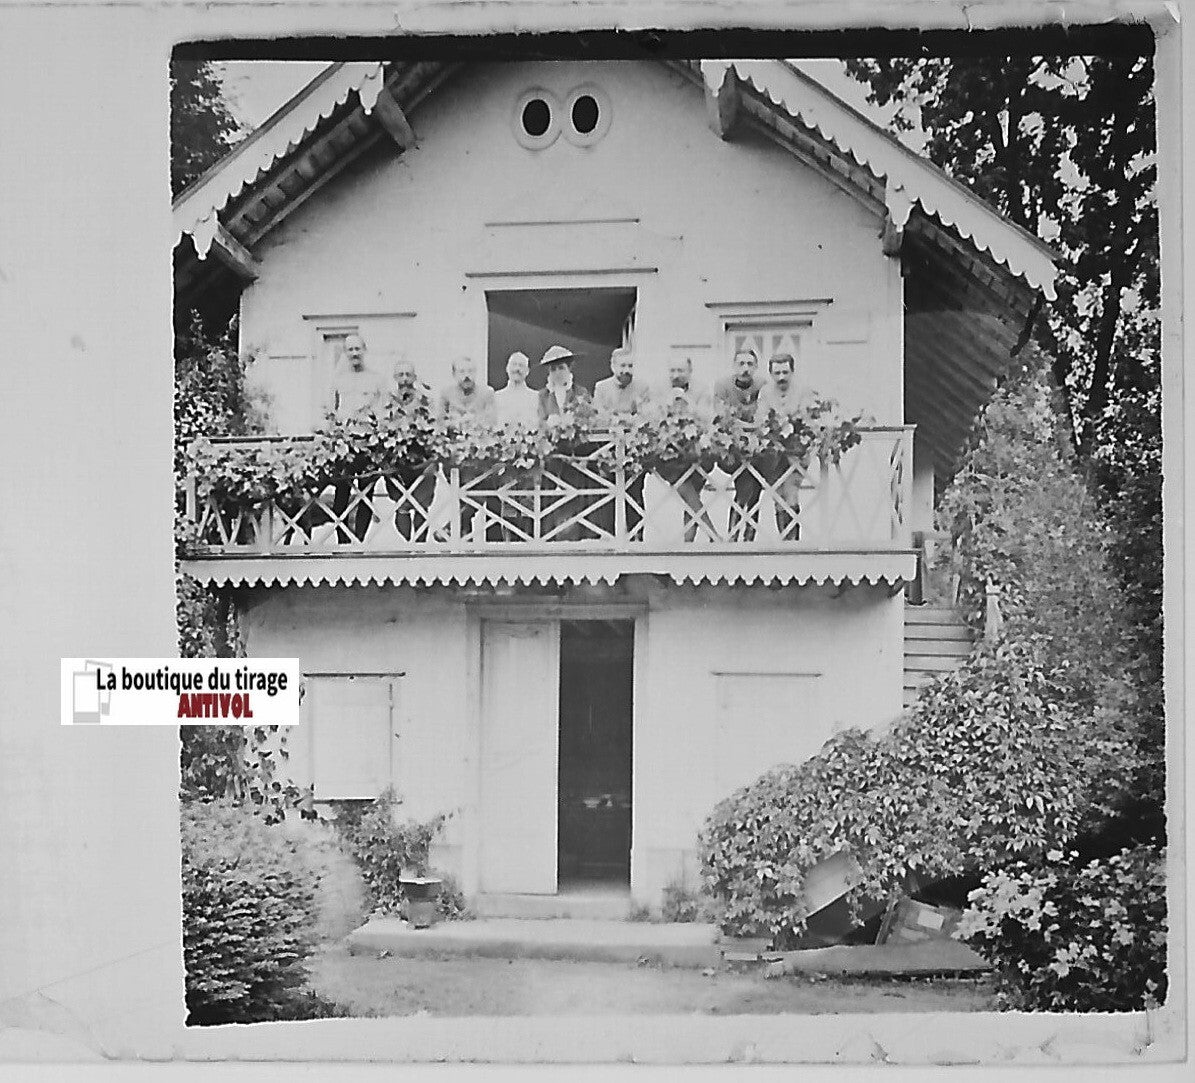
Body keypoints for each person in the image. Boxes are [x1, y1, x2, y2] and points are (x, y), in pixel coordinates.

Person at [327, 333, 390, 543]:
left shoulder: (376, 378)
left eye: (357, 349)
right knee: (341, 491)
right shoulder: (338, 380)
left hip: (367, 444)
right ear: (345, 353)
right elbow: (331, 411)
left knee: (366, 492)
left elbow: (383, 411)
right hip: (345, 444)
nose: (354, 353)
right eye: (350, 350)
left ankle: (360, 540)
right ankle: (342, 540)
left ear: (364, 351)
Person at [753, 352, 819, 541]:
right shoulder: (766, 392)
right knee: (778, 495)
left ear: (792, 371)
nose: (781, 377)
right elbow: (761, 419)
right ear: (771, 374)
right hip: (774, 452)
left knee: (791, 492)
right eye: (777, 373)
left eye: (785, 372)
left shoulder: (803, 390)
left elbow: (809, 419)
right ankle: (786, 541)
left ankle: (791, 543)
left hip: (797, 450)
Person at [591, 346, 652, 540]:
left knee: (635, 491)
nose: (626, 370)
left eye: (630, 366)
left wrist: (619, 418)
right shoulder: (601, 387)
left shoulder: (642, 388)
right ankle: (608, 535)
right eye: (623, 365)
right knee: (607, 491)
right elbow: (599, 417)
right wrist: (625, 418)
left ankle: (636, 535)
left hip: (633, 450)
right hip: (608, 450)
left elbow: (645, 416)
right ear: (613, 366)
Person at [536, 346, 593, 541]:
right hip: (551, 459)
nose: (557, 373)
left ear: (569, 368)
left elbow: (588, 419)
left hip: (574, 456)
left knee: (576, 498)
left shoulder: (581, 392)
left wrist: (571, 423)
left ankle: (577, 537)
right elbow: (537, 421)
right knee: (550, 498)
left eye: (560, 368)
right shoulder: (542, 396)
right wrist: (548, 424)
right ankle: (549, 538)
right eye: (552, 370)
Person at [438, 356, 497, 541]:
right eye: (462, 372)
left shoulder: (487, 393)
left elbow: (491, 422)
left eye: (470, 371)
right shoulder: (446, 394)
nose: (467, 376)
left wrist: (473, 426)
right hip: (453, 456)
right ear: (454, 374)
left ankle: (457, 531)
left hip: (478, 455)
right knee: (464, 492)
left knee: (474, 490)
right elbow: (440, 422)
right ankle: (461, 532)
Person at [659, 356, 716, 543]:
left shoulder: (701, 390)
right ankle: (713, 534)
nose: (676, 375)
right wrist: (668, 404)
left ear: (690, 372)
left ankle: (688, 543)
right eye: (672, 371)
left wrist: (687, 401)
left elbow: (706, 419)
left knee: (691, 497)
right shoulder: (660, 390)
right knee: (686, 491)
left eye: (680, 371)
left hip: (696, 452)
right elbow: (653, 418)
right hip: (670, 455)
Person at [714, 346, 767, 541]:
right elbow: (721, 416)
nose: (745, 368)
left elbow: (765, 416)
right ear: (734, 366)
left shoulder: (763, 385)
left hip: (757, 447)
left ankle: (744, 534)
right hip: (732, 449)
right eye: (741, 364)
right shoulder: (722, 386)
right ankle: (737, 533)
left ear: (756, 367)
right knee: (745, 487)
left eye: (750, 364)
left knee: (754, 488)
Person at [382, 359, 436, 542]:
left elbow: (435, 427)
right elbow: (382, 426)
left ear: (414, 377)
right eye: (401, 375)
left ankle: (419, 547)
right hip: (398, 461)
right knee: (402, 506)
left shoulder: (424, 399)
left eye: (408, 375)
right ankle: (407, 545)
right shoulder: (388, 401)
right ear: (395, 377)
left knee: (422, 506)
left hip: (421, 460)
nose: (405, 379)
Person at [494, 351, 540, 429]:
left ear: (527, 371)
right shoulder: (496, 397)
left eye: (521, 365)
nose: (517, 369)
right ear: (507, 368)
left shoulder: (536, 397)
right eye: (514, 364)